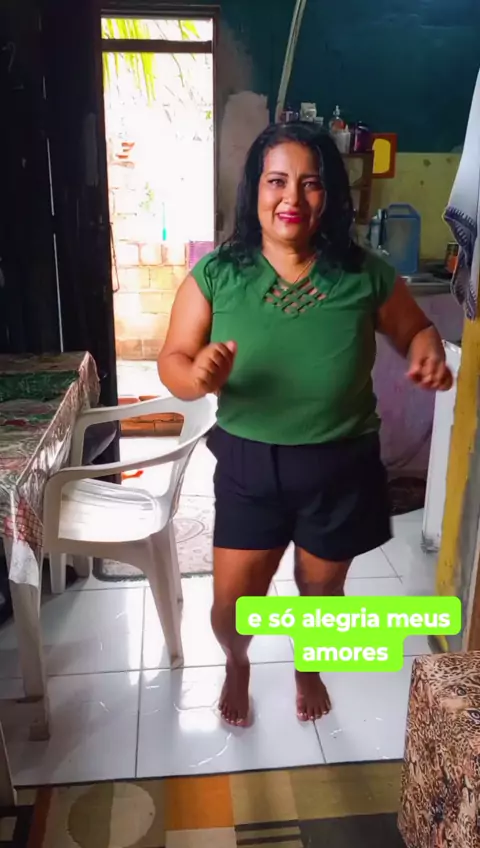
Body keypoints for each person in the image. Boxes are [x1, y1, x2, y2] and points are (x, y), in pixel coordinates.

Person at [158, 122, 452, 727]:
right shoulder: (217, 273)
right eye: (277, 181)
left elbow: (415, 329)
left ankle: (308, 668)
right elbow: (173, 362)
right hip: (250, 464)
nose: (292, 197)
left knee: (321, 597)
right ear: (255, 190)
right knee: (232, 606)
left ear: (330, 195)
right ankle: (236, 662)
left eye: (311, 183)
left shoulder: (364, 273)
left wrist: (426, 349)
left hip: (341, 464)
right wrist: (197, 374)